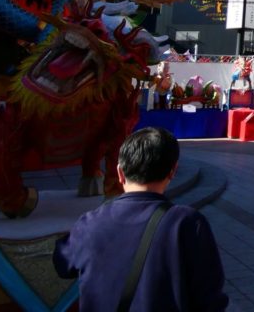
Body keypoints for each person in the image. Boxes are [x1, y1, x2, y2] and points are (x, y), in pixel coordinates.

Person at [53, 127, 228, 312]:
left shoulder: (89, 223)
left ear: (120, 173)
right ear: (172, 171)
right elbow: (210, 299)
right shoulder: (187, 224)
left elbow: (62, 264)